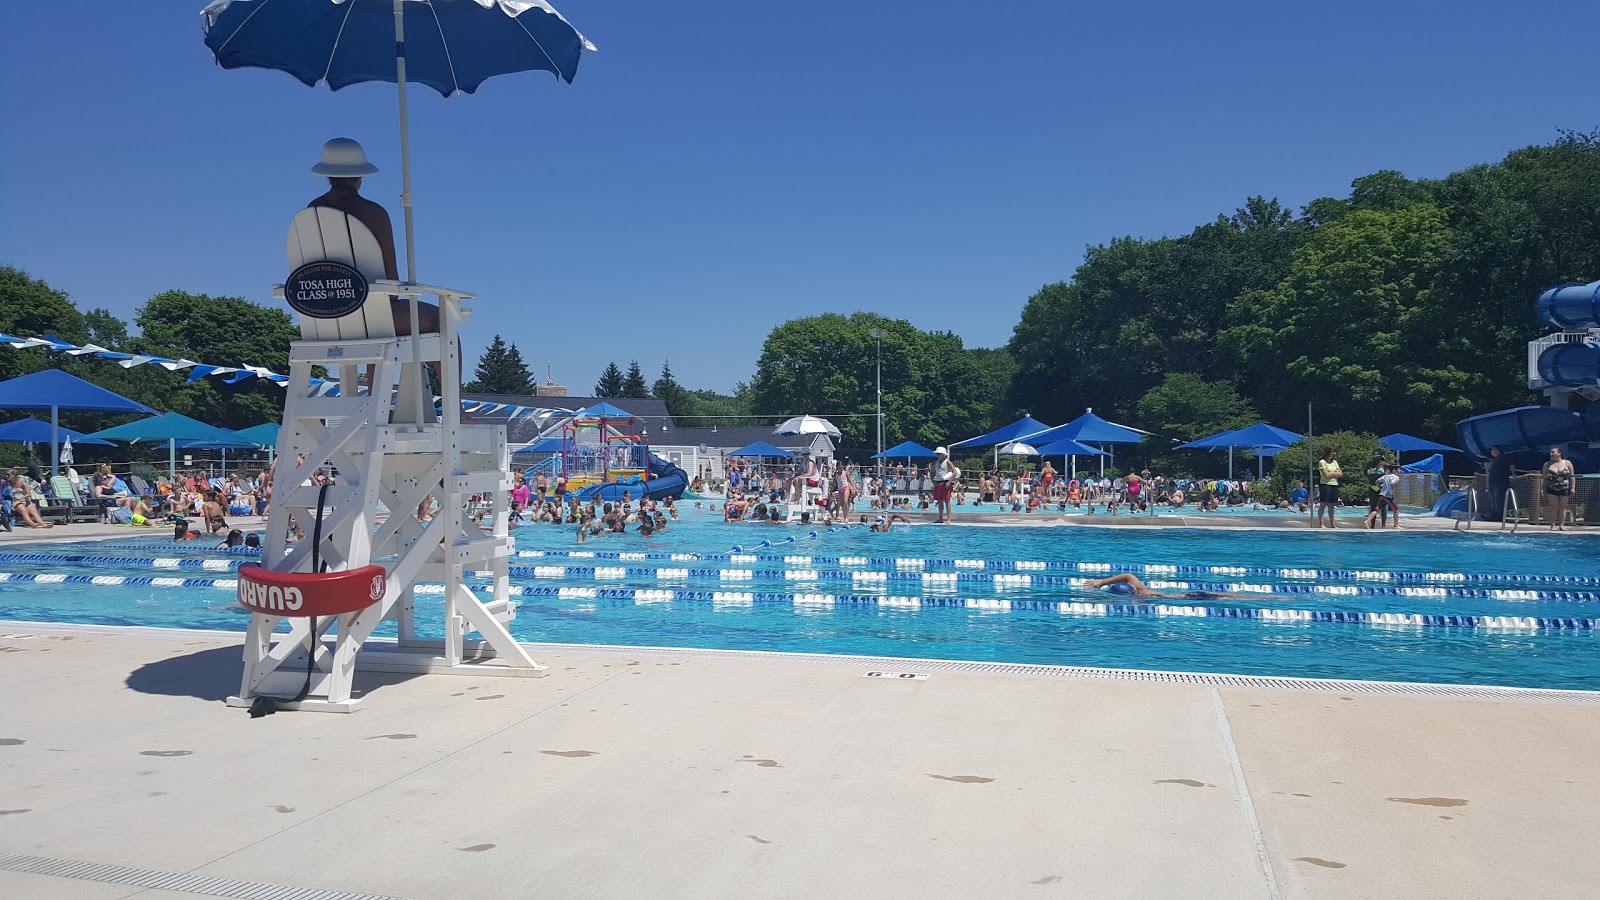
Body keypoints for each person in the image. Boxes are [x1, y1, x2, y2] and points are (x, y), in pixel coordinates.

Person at [1542, 447, 1575, 531]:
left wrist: (1572, 488)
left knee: (1563, 507)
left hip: (1564, 488)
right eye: (1551, 452)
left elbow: (1572, 477)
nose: (1551, 454)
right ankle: (1552, 525)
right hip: (1552, 488)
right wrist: (1541, 489)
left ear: (1559, 453)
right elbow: (1543, 477)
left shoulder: (1567, 463)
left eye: (1553, 452)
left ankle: (1561, 525)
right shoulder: (1547, 464)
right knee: (1554, 507)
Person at [931, 447, 960, 524]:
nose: (938, 455)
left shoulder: (948, 462)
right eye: (937, 454)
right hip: (938, 482)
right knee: (939, 501)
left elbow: (954, 472)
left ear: (943, 455)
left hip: (946, 482)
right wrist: (932, 480)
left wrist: (950, 481)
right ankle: (940, 518)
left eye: (939, 454)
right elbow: (932, 471)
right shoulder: (936, 462)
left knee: (947, 501)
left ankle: (948, 519)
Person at [1315, 446, 1342, 528]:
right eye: (1333, 452)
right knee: (1323, 504)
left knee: (1331, 505)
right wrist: (1334, 473)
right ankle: (1321, 524)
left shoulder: (1334, 462)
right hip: (1325, 485)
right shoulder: (1322, 462)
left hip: (1334, 484)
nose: (1334, 453)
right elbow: (1326, 475)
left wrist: (1331, 473)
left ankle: (1333, 524)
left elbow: (1340, 473)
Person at [1485, 446, 1512, 522]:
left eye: (1492, 450)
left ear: (1497, 451)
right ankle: (1493, 515)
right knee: (1493, 500)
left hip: (1500, 483)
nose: (1491, 451)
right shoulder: (1496, 460)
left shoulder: (1503, 458)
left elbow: (1511, 466)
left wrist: (1512, 474)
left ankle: (1498, 516)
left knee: (1498, 500)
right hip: (1493, 483)